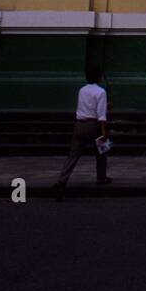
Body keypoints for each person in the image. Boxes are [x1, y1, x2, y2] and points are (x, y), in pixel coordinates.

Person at [53, 65, 111, 194]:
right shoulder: (101, 91)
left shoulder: (82, 90)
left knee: (73, 156)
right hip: (94, 126)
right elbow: (101, 116)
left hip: (79, 125)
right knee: (102, 151)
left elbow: (86, 106)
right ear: (99, 77)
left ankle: (62, 180)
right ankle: (101, 177)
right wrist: (104, 132)